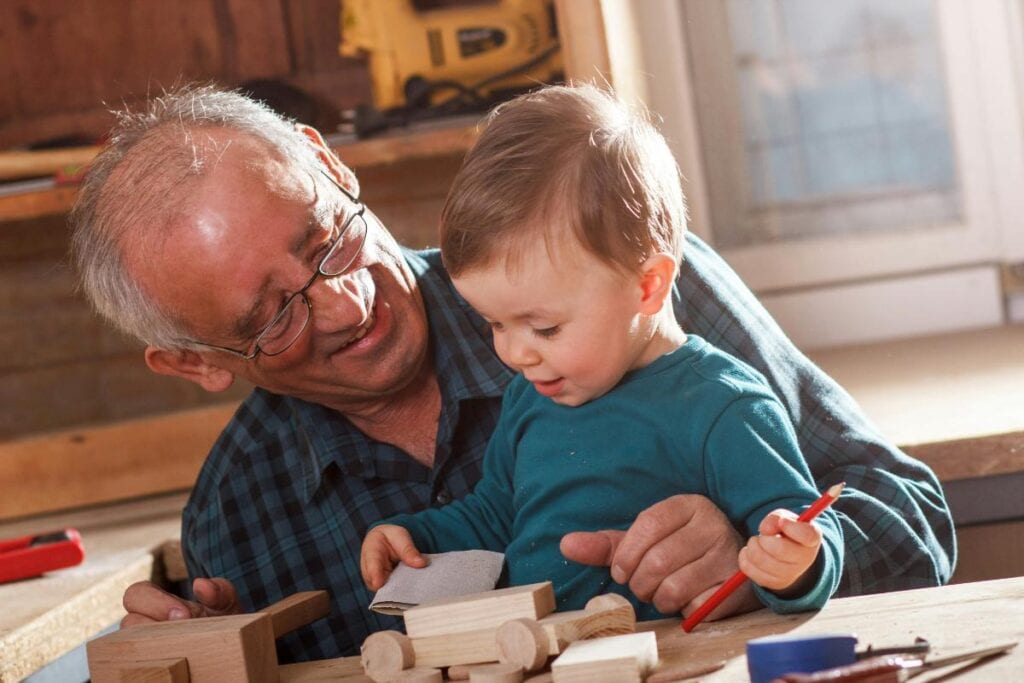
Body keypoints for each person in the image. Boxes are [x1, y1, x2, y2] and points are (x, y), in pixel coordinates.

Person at [69, 84, 954, 663]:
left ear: (332, 162)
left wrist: (757, 561)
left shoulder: (620, 285)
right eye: (272, 317)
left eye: (324, 237)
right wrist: (195, 657)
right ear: (193, 361)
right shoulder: (236, 510)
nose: (344, 303)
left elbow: (916, 529)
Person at [360, 84, 843, 619]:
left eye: (543, 328)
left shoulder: (722, 406)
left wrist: (795, 565)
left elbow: (804, 528)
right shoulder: (529, 399)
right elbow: (495, 514)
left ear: (648, 286)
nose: (516, 353)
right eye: (494, 323)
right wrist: (411, 535)